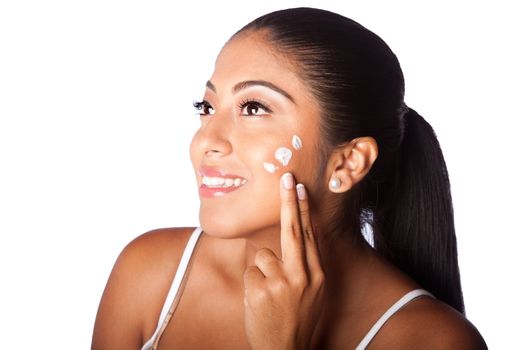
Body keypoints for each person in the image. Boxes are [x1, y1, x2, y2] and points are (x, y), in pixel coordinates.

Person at [92, 7, 487, 349]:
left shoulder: (431, 341)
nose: (205, 140)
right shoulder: (149, 275)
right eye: (207, 106)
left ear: (347, 163)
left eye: (253, 108)